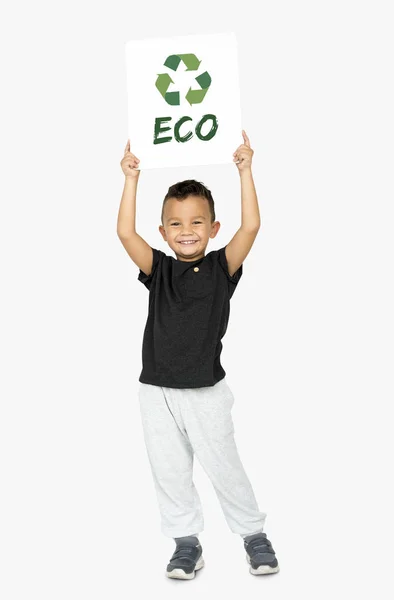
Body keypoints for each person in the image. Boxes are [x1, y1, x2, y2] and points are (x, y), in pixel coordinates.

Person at [117, 131, 280, 579]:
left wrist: (245, 171)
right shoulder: (158, 270)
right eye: (176, 223)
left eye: (196, 222)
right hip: (156, 392)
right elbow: (124, 232)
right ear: (163, 230)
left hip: (205, 392)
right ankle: (186, 543)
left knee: (224, 465)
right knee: (169, 470)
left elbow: (251, 227)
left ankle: (253, 534)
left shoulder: (221, 267)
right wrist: (131, 178)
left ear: (213, 228)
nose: (186, 231)